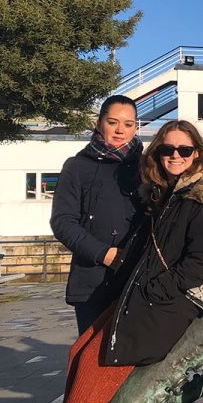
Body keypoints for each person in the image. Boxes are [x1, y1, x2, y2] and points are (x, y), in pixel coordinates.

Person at [1, 120, 203, 403]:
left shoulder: (202, 199)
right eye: (168, 150)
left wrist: (154, 290)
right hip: (140, 297)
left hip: (161, 305)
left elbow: (201, 263)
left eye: (185, 150)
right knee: (80, 351)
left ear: (197, 154)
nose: (176, 156)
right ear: (158, 153)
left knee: (97, 364)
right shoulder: (164, 194)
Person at [50, 95, 143, 334]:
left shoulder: (148, 167)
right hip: (92, 281)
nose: (120, 130)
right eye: (113, 122)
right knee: (93, 363)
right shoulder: (77, 166)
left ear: (136, 127)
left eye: (128, 124)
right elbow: (63, 222)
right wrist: (103, 253)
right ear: (99, 123)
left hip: (138, 279)